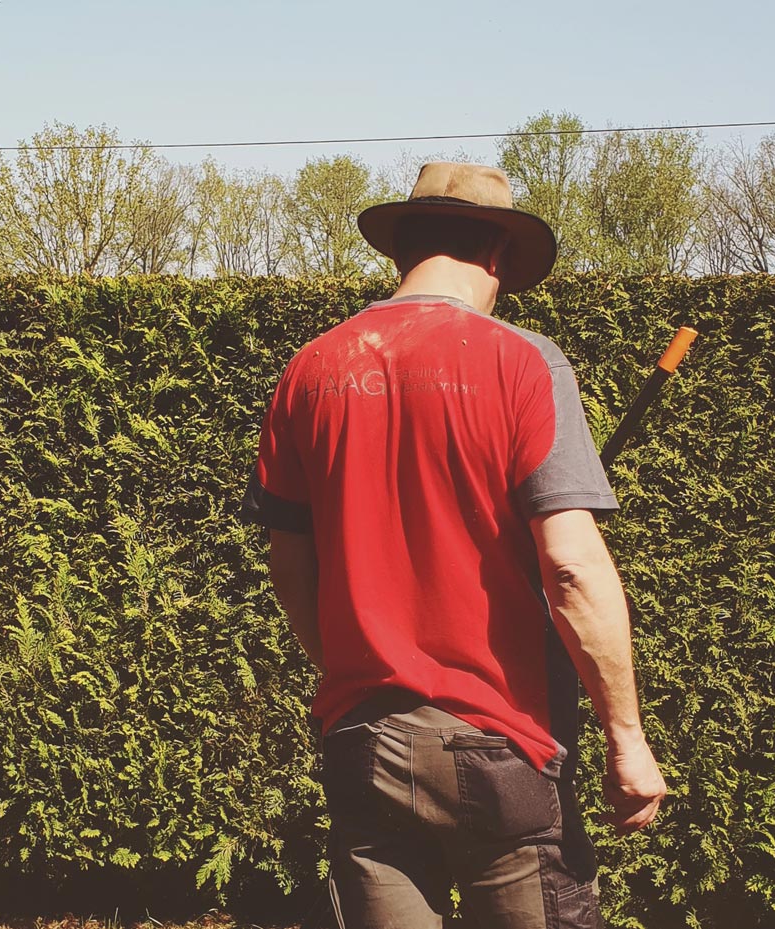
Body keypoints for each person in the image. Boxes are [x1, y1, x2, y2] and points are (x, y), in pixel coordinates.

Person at [241, 163, 666, 929]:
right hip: (501, 743)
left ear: (401, 249)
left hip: (362, 739)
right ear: (497, 254)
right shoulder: (524, 361)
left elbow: (289, 567)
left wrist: (357, 673)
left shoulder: (308, 369)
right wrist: (626, 739)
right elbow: (571, 567)